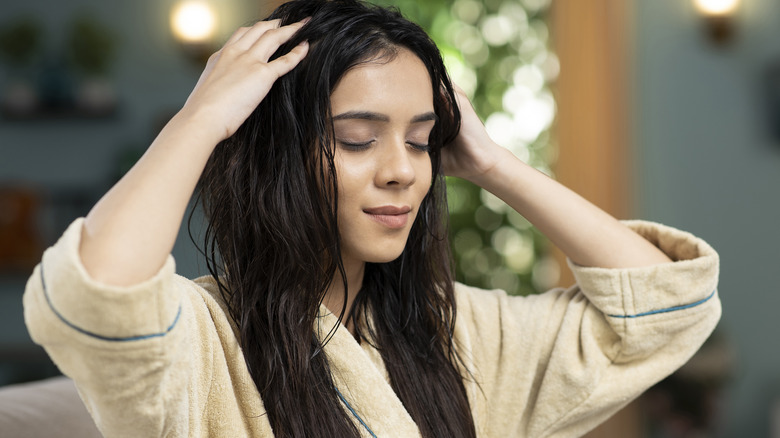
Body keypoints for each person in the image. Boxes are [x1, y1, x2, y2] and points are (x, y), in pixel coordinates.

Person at [23, 0, 721, 437]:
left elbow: (668, 308)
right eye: (358, 139)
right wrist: (199, 121)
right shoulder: (202, 342)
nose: (402, 170)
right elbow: (97, 299)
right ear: (277, 156)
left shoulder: (458, 334)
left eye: (421, 140)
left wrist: (493, 164)